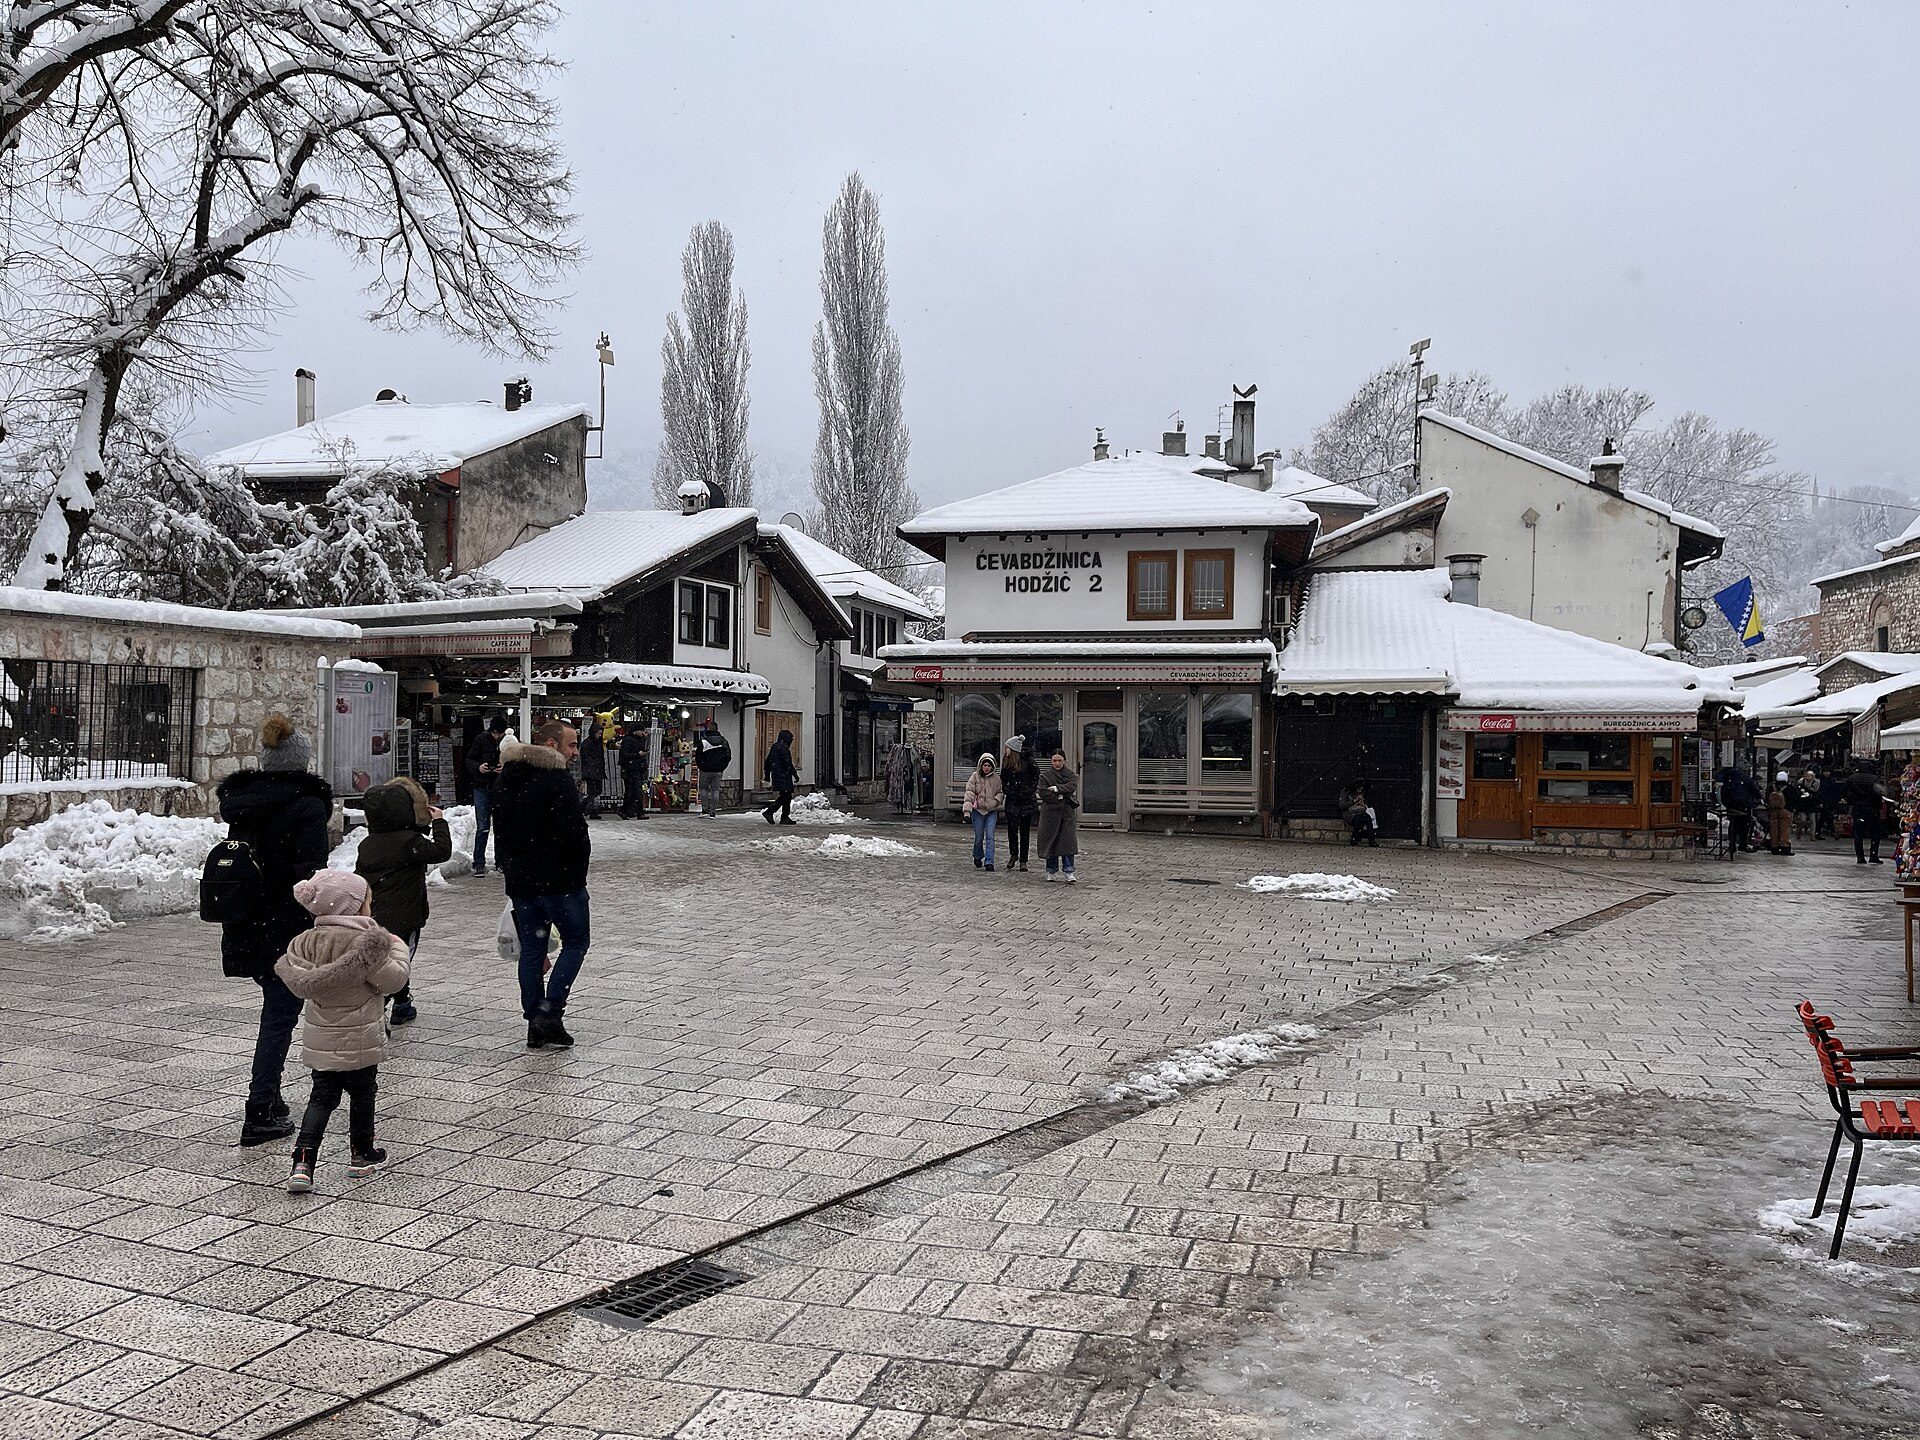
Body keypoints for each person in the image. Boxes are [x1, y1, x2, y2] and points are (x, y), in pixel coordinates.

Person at [216, 713, 333, 1147]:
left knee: (275, 1008)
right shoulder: (307, 806)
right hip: (286, 923)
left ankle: (272, 1100)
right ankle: (259, 1109)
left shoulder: (246, 803)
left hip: (248, 918)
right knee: (280, 1016)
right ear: (301, 763)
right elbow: (310, 875)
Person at [275, 870, 410, 1192]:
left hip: (321, 1037)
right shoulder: (368, 944)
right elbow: (395, 981)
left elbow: (300, 982)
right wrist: (398, 948)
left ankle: (303, 1162)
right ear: (354, 906)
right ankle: (362, 1153)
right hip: (360, 1038)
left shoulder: (302, 942)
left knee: (321, 1097)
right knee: (363, 1094)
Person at [494, 720, 593, 1047]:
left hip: (523, 884)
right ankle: (550, 1013)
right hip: (561, 881)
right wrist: (578, 871)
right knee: (576, 942)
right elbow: (574, 833)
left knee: (533, 951)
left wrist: (512, 870)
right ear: (551, 745)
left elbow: (502, 832)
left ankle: (534, 1019)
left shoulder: (507, 778)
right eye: (572, 745)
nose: (575, 752)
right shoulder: (556, 780)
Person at [354, 777, 451, 1026]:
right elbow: (441, 851)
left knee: (385, 960)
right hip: (406, 917)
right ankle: (384, 1006)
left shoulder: (368, 844)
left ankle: (402, 1002)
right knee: (401, 960)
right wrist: (439, 822)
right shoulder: (410, 842)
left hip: (375, 914)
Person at [466, 715, 507, 874]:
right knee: (482, 827)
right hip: (482, 787)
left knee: (500, 827)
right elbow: (469, 760)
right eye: (494, 733)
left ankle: (501, 861)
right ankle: (479, 863)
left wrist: (504, 768)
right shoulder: (481, 739)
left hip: (499, 789)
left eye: (499, 734)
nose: (496, 736)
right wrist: (479, 767)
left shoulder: (508, 741)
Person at [1037, 750, 1080, 883]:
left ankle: (1069, 871)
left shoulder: (1070, 774)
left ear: (1064, 761)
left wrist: (1056, 789)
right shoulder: (1045, 775)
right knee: (1051, 842)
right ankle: (1051, 870)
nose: (1057, 763)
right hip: (1050, 814)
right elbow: (1043, 792)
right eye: (1055, 760)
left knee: (1067, 844)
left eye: (1059, 760)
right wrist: (1061, 794)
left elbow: (1071, 787)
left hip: (1066, 814)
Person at [1000, 737, 1038, 873]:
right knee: (1012, 829)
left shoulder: (1028, 762)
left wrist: (1029, 791)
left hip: (1026, 800)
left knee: (1025, 831)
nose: (1005, 750)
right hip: (1013, 800)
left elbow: (1036, 777)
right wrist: (1009, 791)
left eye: (1007, 748)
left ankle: (1023, 860)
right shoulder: (1007, 764)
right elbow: (1003, 780)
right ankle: (1013, 854)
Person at [963, 752, 1004, 871]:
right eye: (984, 765)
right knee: (979, 837)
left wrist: (995, 801)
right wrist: (967, 810)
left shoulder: (996, 779)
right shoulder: (975, 776)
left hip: (991, 811)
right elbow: (969, 792)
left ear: (992, 767)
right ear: (981, 765)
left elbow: (1000, 792)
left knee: (990, 837)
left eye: (989, 765)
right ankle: (977, 855)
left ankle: (989, 862)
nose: (986, 768)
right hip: (978, 811)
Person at [1845, 761, 1887, 865]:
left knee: (1858, 833)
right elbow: (1880, 793)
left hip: (1858, 809)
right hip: (1872, 809)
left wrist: (1852, 802)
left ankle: (1860, 857)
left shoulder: (1851, 778)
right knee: (1875, 833)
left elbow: (1846, 793)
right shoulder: (1874, 779)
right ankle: (1873, 855)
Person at [694, 716, 732, 817]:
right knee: (715, 790)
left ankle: (705, 810)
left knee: (703, 789)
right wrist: (722, 766)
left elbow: (698, 756)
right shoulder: (724, 742)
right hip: (718, 770)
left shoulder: (703, 742)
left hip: (705, 770)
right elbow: (728, 756)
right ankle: (713, 812)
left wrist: (701, 765)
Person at [762, 728, 799, 824]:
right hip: (783, 775)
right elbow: (788, 763)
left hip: (777, 774)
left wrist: (767, 775)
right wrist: (794, 774)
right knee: (785, 795)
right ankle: (770, 812)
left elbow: (768, 762)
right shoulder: (783, 748)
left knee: (786, 795)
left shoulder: (775, 747)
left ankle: (784, 817)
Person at [1721, 767, 1760, 854]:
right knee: (1744, 826)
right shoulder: (1746, 779)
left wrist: (1727, 804)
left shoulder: (1728, 779)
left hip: (1732, 806)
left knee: (1733, 825)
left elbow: (1723, 793)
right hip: (1744, 806)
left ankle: (1732, 844)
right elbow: (1755, 790)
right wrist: (1755, 801)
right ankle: (1743, 844)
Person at [617, 722, 649, 820]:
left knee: (634, 792)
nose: (643, 733)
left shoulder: (639, 740)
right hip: (630, 770)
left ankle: (629, 811)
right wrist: (638, 754)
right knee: (632, 792)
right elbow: (624, 755)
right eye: (641, 731)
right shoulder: (628, 740)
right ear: (636, 731)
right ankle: (632, 811)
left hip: (637, 769)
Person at [579, 720, 606, 820]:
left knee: (597, 791)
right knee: (593, 792)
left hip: (596, 771)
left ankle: (587, 808)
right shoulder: (587, 743)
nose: (599, 735)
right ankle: (588, 809)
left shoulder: (597, 743)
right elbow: (586, 758)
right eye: (598, 733)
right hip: (592, 771)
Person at [1341, 781, 1379, 847]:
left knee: (1366, 818)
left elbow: (1367, 804)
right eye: (1358, 789)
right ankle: (1370, 840)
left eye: (1361, 789)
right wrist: (1353, 801)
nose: (1359, 791)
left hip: (1361, 812)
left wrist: (1363, 803)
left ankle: (1364, 839)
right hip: (1351, 814)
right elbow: (1342, 805)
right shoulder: (1346, 792)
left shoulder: (1363, 793)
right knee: (1363, 820)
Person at [1766, 772, 1794, 856]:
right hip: (1786, 811)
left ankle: (1774, 847)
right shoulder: (1789, 788)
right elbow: (1794, 799)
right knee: (1784, 829)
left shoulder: (1771, 787)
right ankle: (1785, 847)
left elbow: (1766, 797)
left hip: (1773, 811)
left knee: (1774, 829)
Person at [1818, 768, 1844, 839]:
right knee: (1827, 817)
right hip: (1825, 801)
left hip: (1830, 801)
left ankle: (1821, 831)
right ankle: (1832, 831)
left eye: (1827, 771)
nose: (1826, 773)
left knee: (1826, 817)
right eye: (1825, 772)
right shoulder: (1822, 780)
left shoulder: (1831, 780)